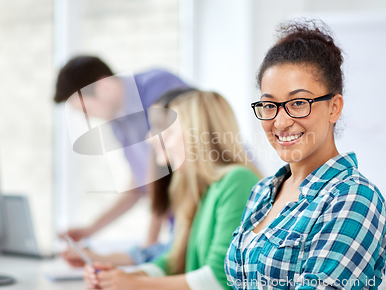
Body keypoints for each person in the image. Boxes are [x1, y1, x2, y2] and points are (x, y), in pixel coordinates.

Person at [225, 20, 386, 290]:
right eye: (269, 105)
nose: (280, 122)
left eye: (299, 103)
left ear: (334, 108)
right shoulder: (261, 192)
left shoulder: (353, 197)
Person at [84, 90, 262, 290]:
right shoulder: (197, 188)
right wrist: (124, 277)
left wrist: (135, 283)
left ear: (196, 135)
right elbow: (174, 261)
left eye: (168, 133)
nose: (153, 140)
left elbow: (219, 279)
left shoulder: (237, 180)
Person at [54, 56, 189, 265]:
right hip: (180, 223)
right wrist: (92, 229)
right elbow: (140, 183)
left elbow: (166, 174)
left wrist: (149, 245)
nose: (88, 118)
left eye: (85, 110)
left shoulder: (160, 87)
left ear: (103, 86)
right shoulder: (118, 121)